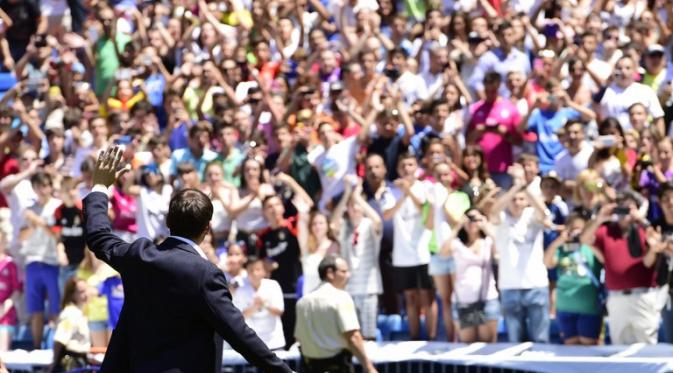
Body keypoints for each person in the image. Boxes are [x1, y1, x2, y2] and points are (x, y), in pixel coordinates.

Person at [83, 146, 291, 372]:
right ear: (207, 228)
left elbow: (98, 236)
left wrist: (100, 186)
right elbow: (239, 334)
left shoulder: (140, 255)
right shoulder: (205, 274)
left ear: (168, 221)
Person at [580, 192, 664, 345]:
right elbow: (584, 239)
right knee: (620, 347)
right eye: (621, 208)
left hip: (642, 298)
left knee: (647, 347)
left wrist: (641, 219)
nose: (624, 212)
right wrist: (599, 218)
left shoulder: (645, 230)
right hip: (616, 298)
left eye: (628, 208)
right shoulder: (606, 232)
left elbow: (649, 261)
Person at [489, 163, 552, 343]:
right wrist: (515, 188)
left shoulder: (532, 215)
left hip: (535, 285)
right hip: (510, 286)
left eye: (521, 199)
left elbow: (543, 212)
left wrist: (524, 186)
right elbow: (493, 210)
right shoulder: (501, 219)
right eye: (513, 199)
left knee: (541, 340)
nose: (517, 203)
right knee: (515, 343)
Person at [295, 254, 378, 373]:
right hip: (338, 366)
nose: (348, 275)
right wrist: (369, 368)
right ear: (330, 273)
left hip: (310, 367)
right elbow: (353, 337)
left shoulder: (302, 302)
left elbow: (299, 338)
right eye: (344, 271)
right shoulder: (341, 297)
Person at [441, 209, 499, 343]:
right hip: (464, 300)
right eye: (469, 219)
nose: (472, 222)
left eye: (476, 219)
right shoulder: (457, 244)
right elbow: (443, 253)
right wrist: (458, 226)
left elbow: (499, 254)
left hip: (487, 299)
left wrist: (486, 227)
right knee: (468, 344)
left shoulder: (488, 242)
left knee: (488, 344)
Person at [544, 214, 603, 345]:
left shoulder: (591, 248)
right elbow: (548, 262)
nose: (577, 233)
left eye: (581, 229)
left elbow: (604, 260)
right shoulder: (562, 249)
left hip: (588, 307)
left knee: (589, 346)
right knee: (571, 347)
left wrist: (587, 241)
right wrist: (558, 241)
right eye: (574, 229)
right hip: (565, 307)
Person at [233, 256, 285, 350]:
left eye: (257, 269)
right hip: (252, 343)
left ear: (264, 271)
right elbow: (239, 317)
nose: (254, 273)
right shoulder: (241, 289)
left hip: (274, 341)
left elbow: (279, 312)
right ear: (247, 272)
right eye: (250, 270)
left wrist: (264, 305)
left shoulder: (273, 285)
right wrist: (255, 306)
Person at [49, 277, 91, 373]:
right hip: (71, 364)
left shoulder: (80, 313)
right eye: (81, 292)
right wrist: (54, 363)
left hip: (81, 361)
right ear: (72, 294)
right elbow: (59, 340)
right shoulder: (70, 314)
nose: (85, 295)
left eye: (86, 290)